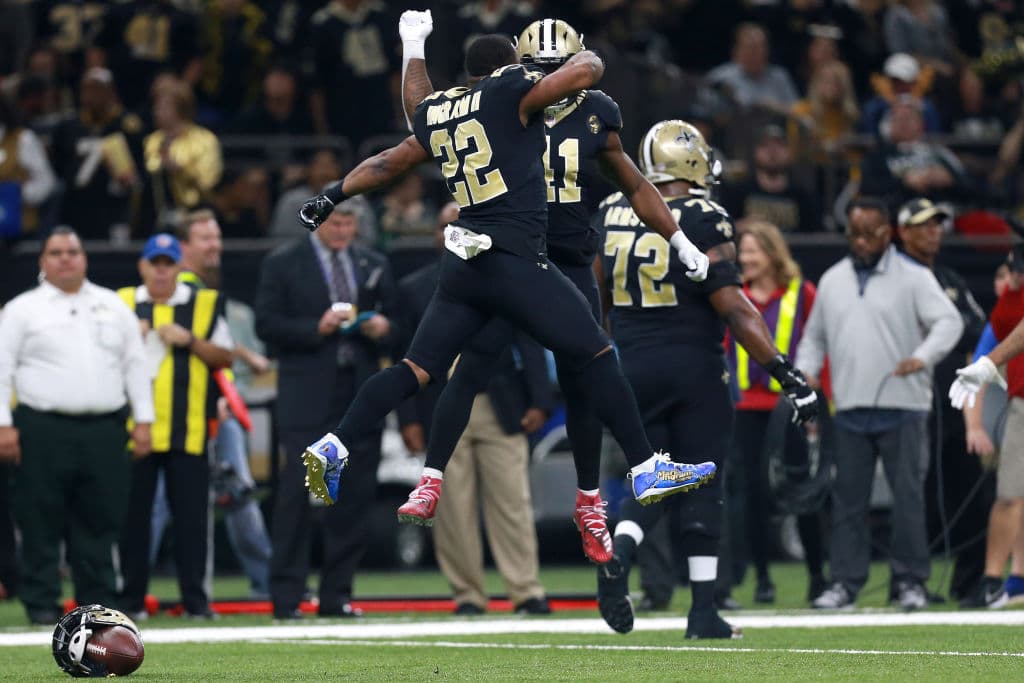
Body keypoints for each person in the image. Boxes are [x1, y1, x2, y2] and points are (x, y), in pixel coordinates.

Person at [386, 16, 714, 564]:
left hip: (545, 261)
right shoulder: (513, 104)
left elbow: (633, 181)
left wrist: (678, 238)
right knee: (517, 368)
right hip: (522, 261)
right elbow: (421, 142)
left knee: (566, 377)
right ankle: (446, 480)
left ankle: (584, 501)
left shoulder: (546, 108)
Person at [593, 120, 818, 639]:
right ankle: (701, 612)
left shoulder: (611, 210)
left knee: (652, 479)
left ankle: (619, 552)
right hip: (692, 364)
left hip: (631, 366)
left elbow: (596, 296)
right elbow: (733, 307)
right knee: (702, 482)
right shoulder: (704, 214)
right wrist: (786, 374)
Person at [796, 197, 963, 610]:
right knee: (848, 499)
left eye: (870, 232)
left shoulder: (914, 276)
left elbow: (950, 322)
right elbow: (813, 336)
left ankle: (910, 583)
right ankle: (845, 584)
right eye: (854, 232)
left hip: (905, 405)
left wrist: (923, 357)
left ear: (887, 232)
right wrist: (807, 371)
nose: (862, 240)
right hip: (849, 405)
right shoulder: (833, 279)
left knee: (907, 498)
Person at [0, 227, 153, 624]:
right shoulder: (21, 309)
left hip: (105, 427)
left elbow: (135, 364)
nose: (65, 258)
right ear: (42, 261)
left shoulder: (111, 305)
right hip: (42, 427)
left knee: (101, 519)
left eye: (72, 251)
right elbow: (1, 370)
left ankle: (97, 605)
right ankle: (41, 603)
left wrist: (144, 420)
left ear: (84, 258)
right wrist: (3, 424)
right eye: (56, 252)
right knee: (39, 516)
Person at [254, 199, 397, 620]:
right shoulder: (283, 263)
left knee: (352, 499)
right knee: (298, 496)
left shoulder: (373, 261)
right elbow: (267, 324)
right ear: (319, 223)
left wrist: (383, 327)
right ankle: (286, 598)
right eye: (336, 222)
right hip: (307, 397)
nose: (342, 230)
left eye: (349, 222)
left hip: (358, 396)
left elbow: (399, 324)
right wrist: (313, 328)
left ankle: (337, 595)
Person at [117, 233, 233, 620]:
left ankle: (196, 602)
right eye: (155, 263)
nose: (162, 271)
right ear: (143, 266)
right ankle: (130, 599)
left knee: (192, 522)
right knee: (132, 520)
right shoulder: (120, 304)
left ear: (178, 267)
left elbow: (224, 357)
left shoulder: (203, 303)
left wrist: (190, 340)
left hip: (189, 429)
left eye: (169, 263)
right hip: (135, 430)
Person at [727, 219, 826, 605]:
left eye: (752, 251)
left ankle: (818, 575)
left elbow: (818, 343)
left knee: (802, 491)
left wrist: (818, 398)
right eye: (742, 251)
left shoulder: (803, 293)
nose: (745, 258)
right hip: (746, 408)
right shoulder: (733, 295)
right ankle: (762, 578)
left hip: (789, 409)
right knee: (753, 494)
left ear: (772, 253)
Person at [894, 198, 987, 603]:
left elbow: (977, 332)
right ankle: (911, 581)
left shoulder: (950, 278)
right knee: (916, 493)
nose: (933, 231)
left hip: (953, 398)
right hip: (908, 398)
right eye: (923, 225)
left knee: (966, 488)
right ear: (902, 232)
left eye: (937, 225)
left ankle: (969, 581)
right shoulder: (892, 276)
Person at [176, 210, 273, 599]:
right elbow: (206, 346)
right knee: (233, 495)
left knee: (230, 496)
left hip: (213, 407)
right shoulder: (185, 289)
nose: (215, 245)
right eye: (204, 238)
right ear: (185, 246)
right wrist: (247, 360)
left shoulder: (200, 287)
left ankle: (266, 582)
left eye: (216, 237)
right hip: (200, 409)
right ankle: (268, 583)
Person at [949, 245, 1024, 607]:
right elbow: (977, 362)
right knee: (1012, 494)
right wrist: (974, 424)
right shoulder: (1010, 301)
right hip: (1022, 403)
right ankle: (1001, 581)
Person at [49, 67, 144, 240]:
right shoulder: (68, 126)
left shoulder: (128, 126)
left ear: (111, 92)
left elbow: (140, 167)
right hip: (76, 206)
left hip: (115, 206)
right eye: (87, 89)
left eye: (98, 89)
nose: (91, 95)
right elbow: (58, 164)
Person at [138, 82, 222, 234]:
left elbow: (208, 181)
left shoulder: (205, 140)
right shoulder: (152, 140)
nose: (156, 112)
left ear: (180, 109)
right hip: (157, 214)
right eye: (156, 107)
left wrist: (180, 169)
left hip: (195, 213)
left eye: (163, 107)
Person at [706, 23, 799, 112]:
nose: (755, 52)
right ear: (736, 50)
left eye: (760, 47)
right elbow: (707, 112)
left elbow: (797, 111)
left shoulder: (779, 76)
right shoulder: (720, 77)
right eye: (750, 47)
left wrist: (776, 108)